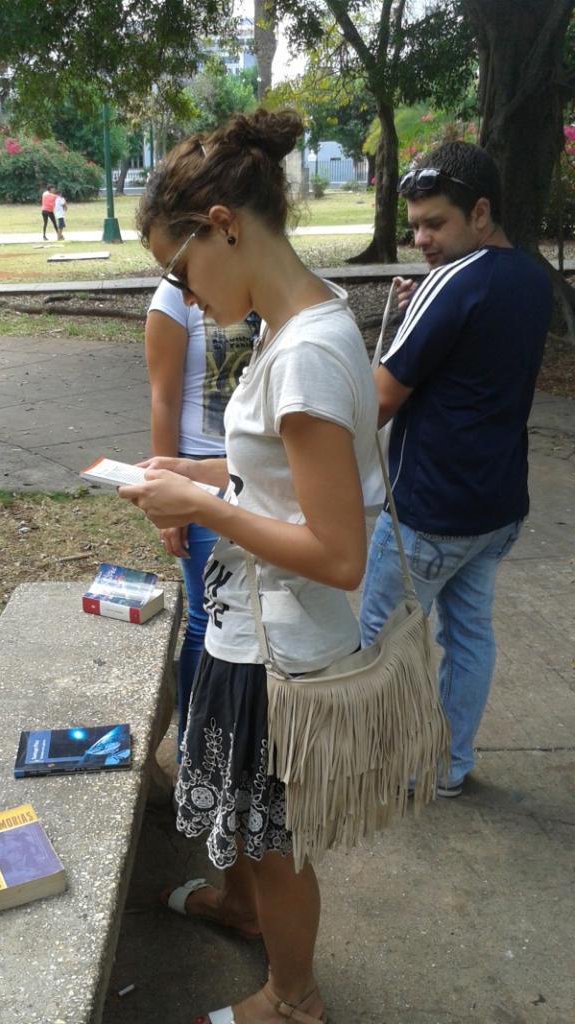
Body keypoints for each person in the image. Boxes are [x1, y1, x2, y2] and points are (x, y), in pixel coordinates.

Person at [119, 109, 377, 1024]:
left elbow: (341, 554)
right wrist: (190, 472)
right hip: (250, 629)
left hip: (279, 647)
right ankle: (238, 910)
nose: (183, 298)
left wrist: (202, 506)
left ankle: (292, 997)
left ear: (224, 223)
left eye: (179, 270)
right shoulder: (297, 324)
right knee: (254, 828)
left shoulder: (303, 354)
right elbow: (279, 478)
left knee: (272, 841)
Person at [359, 142, 552, 798]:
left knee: (375, 644)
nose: (421, 239)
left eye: (435, 223)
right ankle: (448, 769)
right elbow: (474, 350)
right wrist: (425, 305)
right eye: (414, 225)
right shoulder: (528, 277)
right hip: (496, 508)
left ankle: (356, 763)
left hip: (430, 512)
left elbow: (378, 399)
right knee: (468, 637)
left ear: (480, 211)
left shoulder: (452, 283)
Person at [145, 280, 258, 755]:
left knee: (248, 618)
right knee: (206, 618)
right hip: (198, 469)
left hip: (255, 466)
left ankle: (236, 743)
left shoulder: (257, 282)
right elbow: (163, 399)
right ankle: (197, 747)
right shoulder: (174, 298)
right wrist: (171, 503)